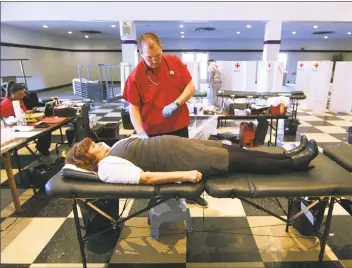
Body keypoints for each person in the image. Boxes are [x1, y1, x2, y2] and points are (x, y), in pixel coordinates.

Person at [122, 32, 210, 207]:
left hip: (178, 125)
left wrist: (176, 104)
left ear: (162, 48)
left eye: (157, 56)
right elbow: (133, 108)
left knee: (186, 160)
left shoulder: (174, 62)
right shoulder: (135, 76)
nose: (154, 60)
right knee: (158, 166)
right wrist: (141, 133)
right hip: (153, 131)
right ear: (141, 53)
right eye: (149, 57)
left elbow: (190, 87)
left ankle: (190, 193)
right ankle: (159, 197)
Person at [65, 135, 318, 185]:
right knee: (241, 160)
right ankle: (296, 163)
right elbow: (144, 178)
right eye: (93, 147)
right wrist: (185, 175)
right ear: (89, 159)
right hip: (181, 157)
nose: (98, 144)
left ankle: (288, 154)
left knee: (242, 151)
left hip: (181, 145)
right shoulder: (107, 168)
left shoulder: (111, 153)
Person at [0, 81, 52, 157]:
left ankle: (42, 147)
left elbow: (24, 112)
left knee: (47, 127)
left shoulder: (18, 100)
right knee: (43, 131)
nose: (22, 96)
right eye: (20, 94)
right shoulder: (5, 104)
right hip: (14, 128)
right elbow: (7, 123)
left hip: (25, 123)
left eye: (23, 94)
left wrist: (32, 111)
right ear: (12, 93)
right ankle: (42, 148)